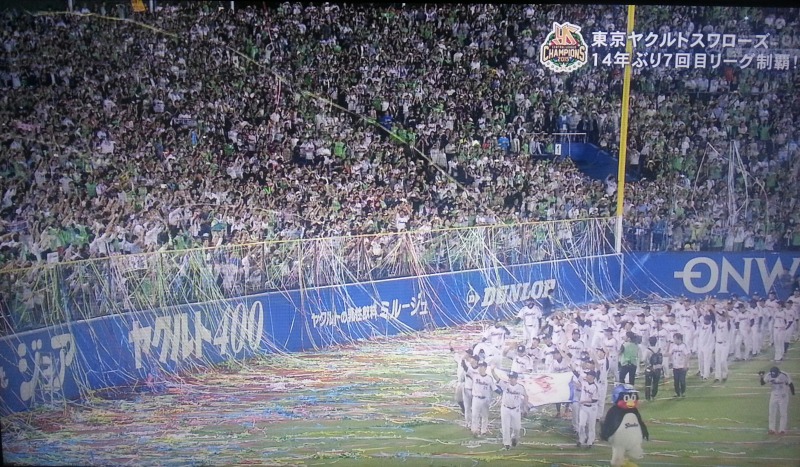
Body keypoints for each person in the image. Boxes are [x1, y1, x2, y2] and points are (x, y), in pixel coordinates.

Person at [492, 369, 529, 449]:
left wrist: (525, 407)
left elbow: (525, 396)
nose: (511, 379)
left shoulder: (520, 387)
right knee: (505, 426)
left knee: (517, 427)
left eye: (512, 378)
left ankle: (514, 437)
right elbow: (497, 378)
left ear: (516, 379)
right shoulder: (505, 385)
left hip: (516, 409)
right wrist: (492, 370)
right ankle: (507, 443)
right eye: (510, 377)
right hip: (505, 408)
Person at [759, 366, 794, 435]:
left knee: (783, 413)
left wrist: (793, 393)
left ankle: (782, 429)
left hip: (783, 396)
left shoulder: (784, 375)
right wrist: (761, 377)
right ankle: (771, 429)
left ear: (778, 373)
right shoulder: (769, 375)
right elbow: (762, 383)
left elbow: (790, 384)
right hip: (774, 395)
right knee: (772, 412)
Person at [576, 369, 600, 448]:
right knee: (581, 424)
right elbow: (576, 374)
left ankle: (590, 441)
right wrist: (571, 367)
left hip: (592, 408)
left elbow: (594, 400)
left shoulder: (596, 386)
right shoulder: (584, 382)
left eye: (588, 375)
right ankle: (582, 439)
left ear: (592, 377)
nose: (587, 376)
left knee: (591, 425)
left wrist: (583, 401)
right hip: (583, 407)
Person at [470, 361, 495, 437]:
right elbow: (466, 368)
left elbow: (494, 388)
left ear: (485, 368)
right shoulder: (474, 375)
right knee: (475, 415)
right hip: (476, 398)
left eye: (481, 366)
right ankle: (475, 430)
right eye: (479, 366)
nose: (480, 368)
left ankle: (483, 431)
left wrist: (502, 392)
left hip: (485, 399)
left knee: (484, 416)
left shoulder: (489, 378)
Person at [670, 333, 690, 398]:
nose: (674, 340)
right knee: (676, 381)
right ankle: (677, 393)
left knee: (682, 380)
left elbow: (687, 355)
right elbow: (670, 353)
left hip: (682, 366)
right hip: (675, 366)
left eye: (675, 339)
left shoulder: (684, 346)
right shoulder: (673, 346)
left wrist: (685, 365)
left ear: (679, 339)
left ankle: (683, 392)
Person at [643, 336, 663, 401]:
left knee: (648, 383)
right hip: (658, 368)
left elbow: (644, 359)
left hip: (649, 368)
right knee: (655, 382)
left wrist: (646, 365)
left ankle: (647, 397)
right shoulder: (659, 349)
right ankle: (653, 395)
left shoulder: (647, 350)